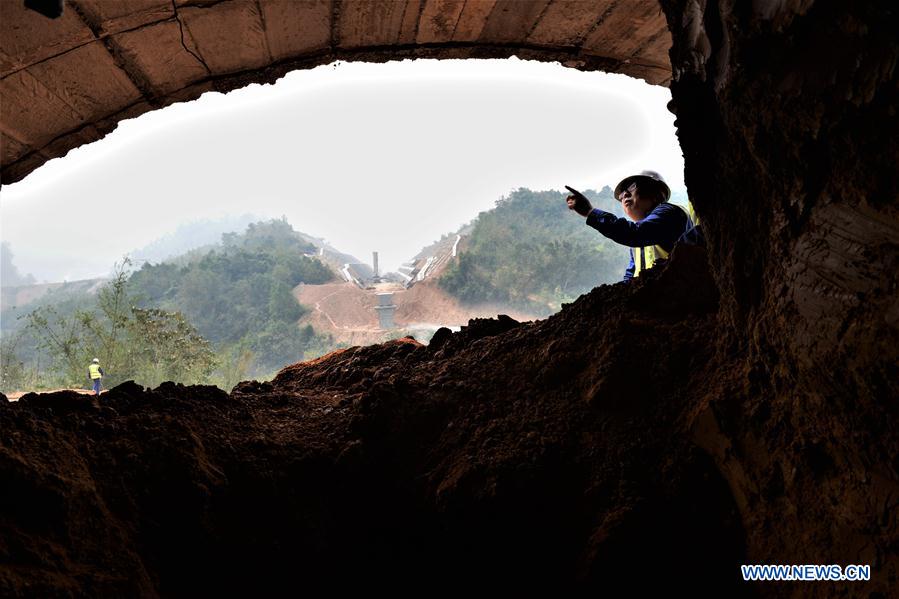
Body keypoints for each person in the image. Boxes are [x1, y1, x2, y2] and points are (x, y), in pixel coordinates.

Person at [566, 171, 695, 281]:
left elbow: (635, 233)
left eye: (633, 187)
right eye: (621, 195)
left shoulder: (669, 213)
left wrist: (590, 212)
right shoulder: (638, 241)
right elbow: (631, 277)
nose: (625, 195)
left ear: (657, 195)